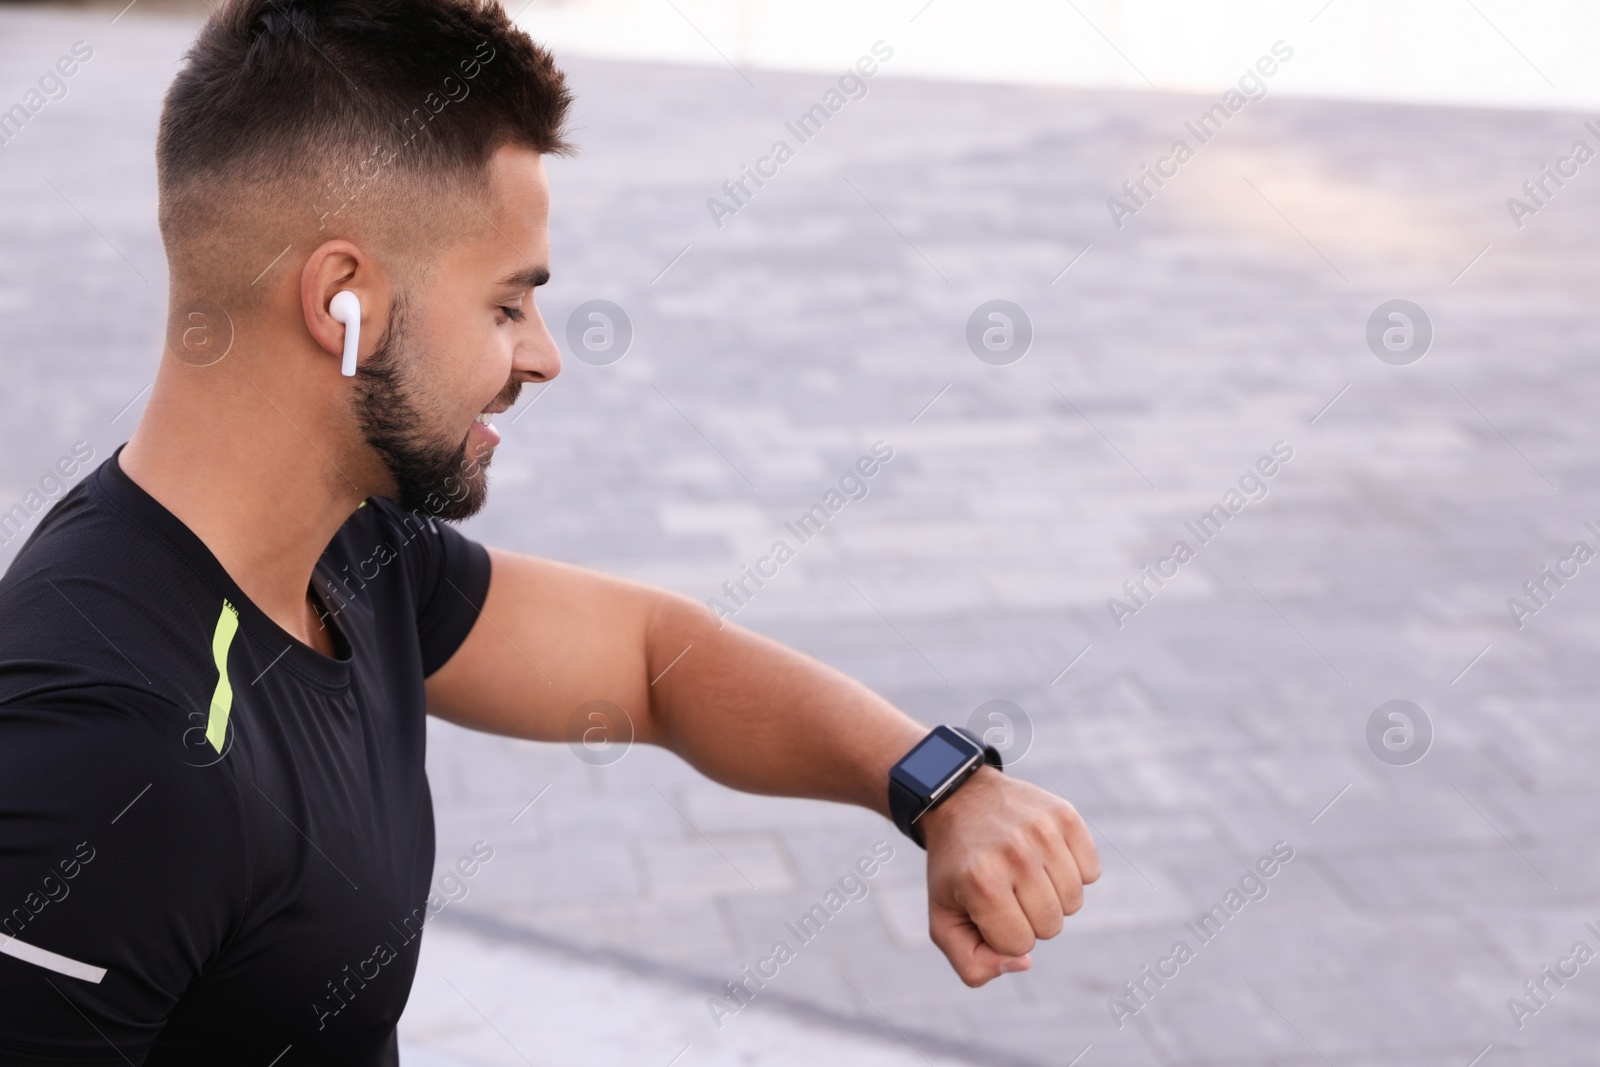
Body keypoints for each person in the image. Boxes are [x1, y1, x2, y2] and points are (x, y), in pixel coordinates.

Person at [0, 1, 1099, 1062]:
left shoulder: (347, 554)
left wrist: (941, 786)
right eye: (505, 304)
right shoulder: (108, 750)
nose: (542, 354)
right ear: (344, 300)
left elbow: (648, 662)